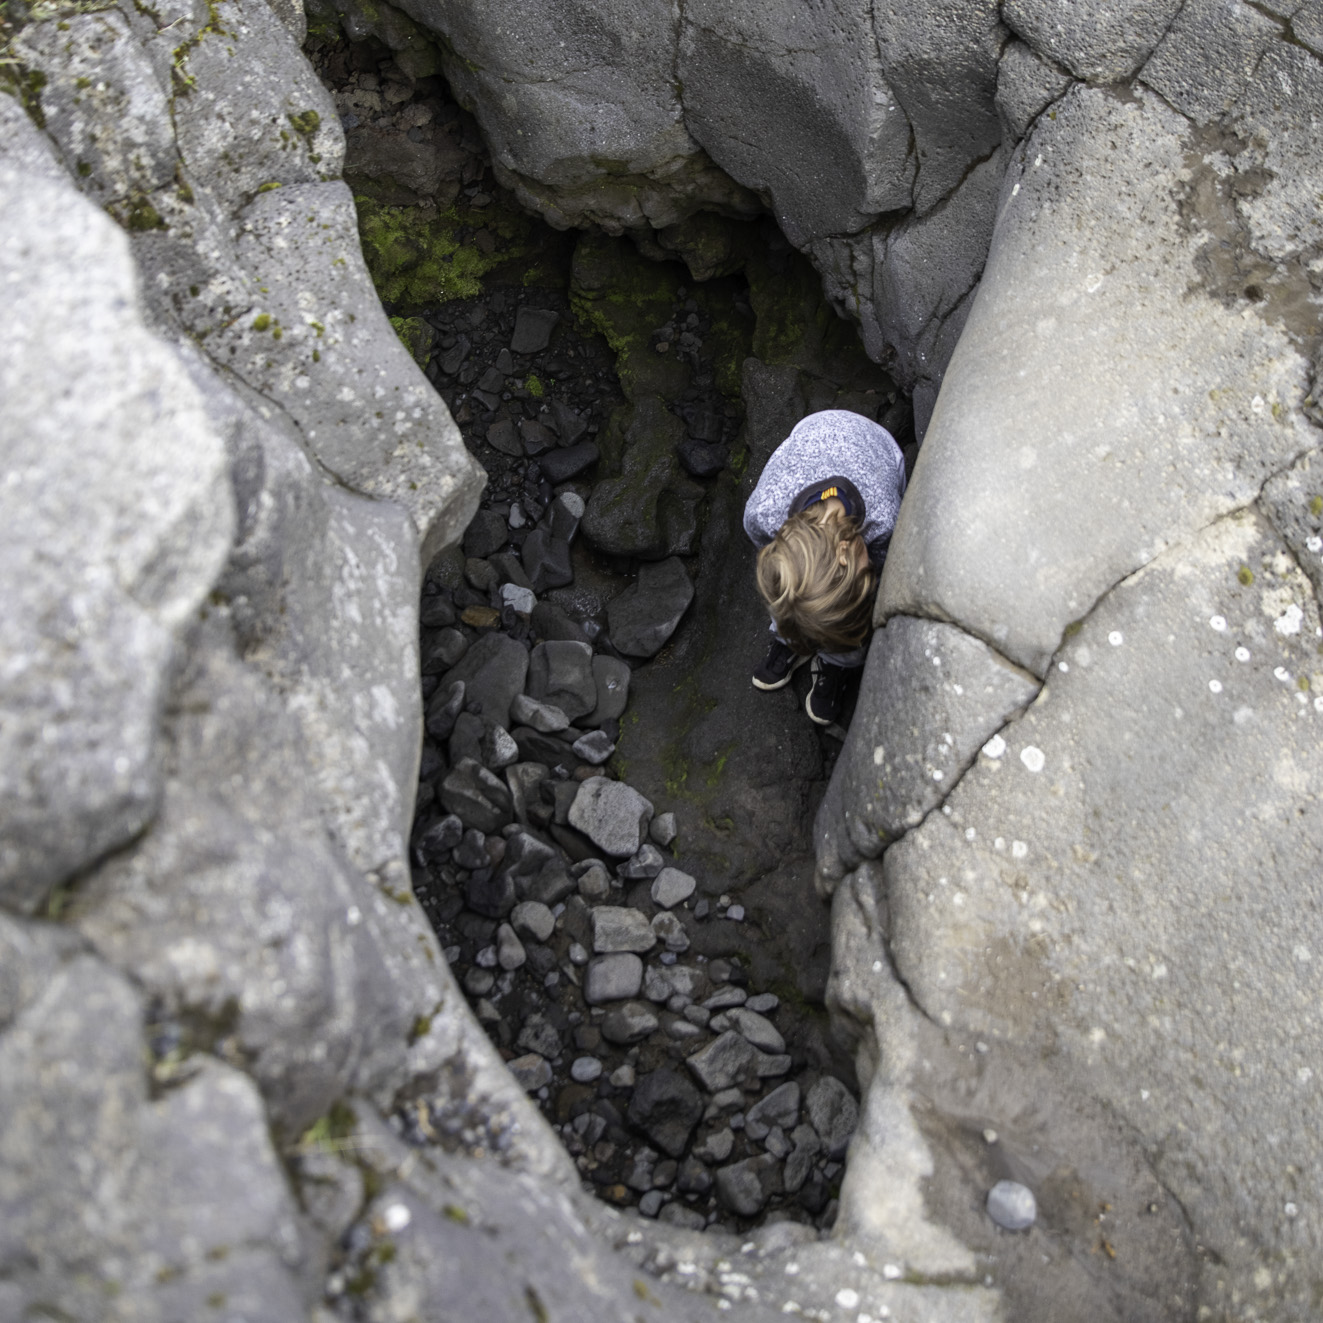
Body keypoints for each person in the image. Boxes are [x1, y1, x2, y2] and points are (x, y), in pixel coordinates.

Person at [743, 409, 907, 725]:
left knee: (847, 615)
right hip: (810, 437)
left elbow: (883, 565)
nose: (869, 567)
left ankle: (839, 659)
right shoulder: (763, 512)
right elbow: (778, 561)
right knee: (797, 598)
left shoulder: (883, 518)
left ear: (846, 551)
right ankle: (793, 638)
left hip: (874, 445)